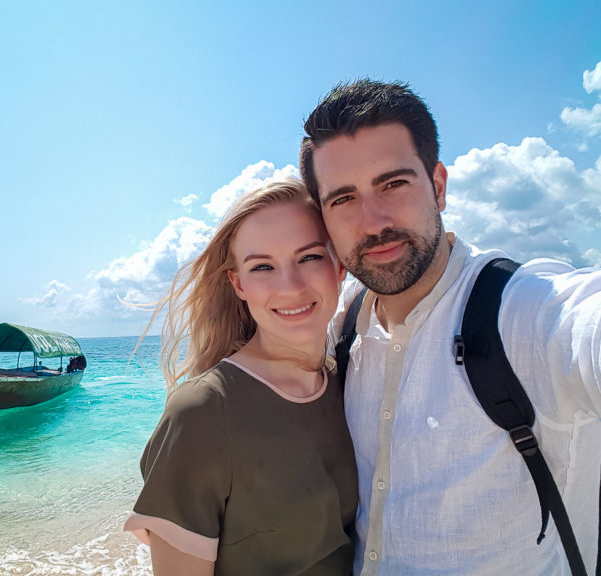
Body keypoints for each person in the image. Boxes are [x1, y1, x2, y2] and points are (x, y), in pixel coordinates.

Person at [299, 79, 601, 575]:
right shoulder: (344, 326)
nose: (373, 222)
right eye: (343, 199)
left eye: (393, 184)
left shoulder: (524, 312)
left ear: (438, 185)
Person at [124, 178, 358, 575]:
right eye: (262, 266)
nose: (291, 287)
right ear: (238, 283)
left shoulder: (351, 379)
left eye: (310, 257)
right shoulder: (203, 411)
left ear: (339, 266)